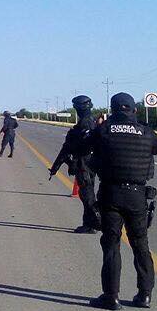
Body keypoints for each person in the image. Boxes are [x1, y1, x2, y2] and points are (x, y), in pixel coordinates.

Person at [83, 93, 157, 309]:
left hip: (111, 194)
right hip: (137, 195)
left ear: (113, 110)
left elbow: (86, 146)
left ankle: (111, 296)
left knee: (111, 245)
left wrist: (104, 126)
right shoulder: (146, 132)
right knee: (140, 244)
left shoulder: (104, 130)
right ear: (134, 110)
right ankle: (145, 295)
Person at [49, 95, 101, 233]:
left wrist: (62, 163)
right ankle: (89, 223)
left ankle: (94, 224)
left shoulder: (86, 123)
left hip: (85, 163)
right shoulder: (92, 121)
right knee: (87, 194)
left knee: (87, 195)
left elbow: (73, 147)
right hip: (88, 162)